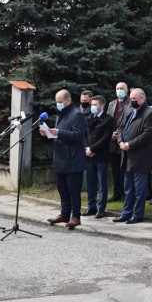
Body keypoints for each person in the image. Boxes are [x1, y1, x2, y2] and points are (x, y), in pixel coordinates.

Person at [43, 89, 87, 229]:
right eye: (57, 102)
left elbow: (78, 134)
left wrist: (59, 132)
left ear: (68, 100)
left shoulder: (77, 114)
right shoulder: (61, 114)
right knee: (62, 189)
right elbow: (59, 133)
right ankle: (64, 214)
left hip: (73, 159)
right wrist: (49, 132)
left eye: (60, 102)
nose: (58, 104)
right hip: (61, 158)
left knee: (73, 190)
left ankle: (75, 217)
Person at [112, 88, 152, 224]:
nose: (132, 101)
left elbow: (147, 135)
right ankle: (126, 213)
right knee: (128, 189)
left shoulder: (150, 114)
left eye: (134, 99)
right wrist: (120, 141)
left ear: (142, 99)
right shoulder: (130, 111)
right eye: (131, 99)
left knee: (139, 190)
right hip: (126, 156)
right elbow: (120, 128)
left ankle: (137, 215)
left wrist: (130, 144)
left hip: (140, 158)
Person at [84, 95, 113, 219]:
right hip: (89, 155)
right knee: (90, 183)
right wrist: (86, 148)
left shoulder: (108, 119)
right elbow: (85, 134)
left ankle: (101, 208)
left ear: (102, 106)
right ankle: (91, 206)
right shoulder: (89, 118)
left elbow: (105, 138)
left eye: (95, 105)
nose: (93, 107)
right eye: (92, 104)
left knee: (101, 183)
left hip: (101, 155)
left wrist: (92, 149)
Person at [105, 81, 131, 201]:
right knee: (115, 169)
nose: (119, 90)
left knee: (124, 169)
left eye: (122, 88)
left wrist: (119, 135)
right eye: (117, 88)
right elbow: (107, 121)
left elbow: (129, 122)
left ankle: (125, 194)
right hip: (111, 141)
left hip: (124, 141)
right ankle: (117, 193)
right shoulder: (111, 104)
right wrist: (110, 134)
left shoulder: (130, 104)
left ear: (127, 90)